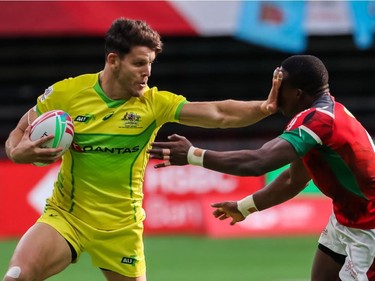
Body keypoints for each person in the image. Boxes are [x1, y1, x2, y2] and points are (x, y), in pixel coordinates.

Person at [3, 18, 281, 281]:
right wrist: (17, 152)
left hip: (122, 228)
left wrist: (263, 108)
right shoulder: (67, 93)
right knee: (17, 276)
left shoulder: (153, 104)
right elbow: (19, 130)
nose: (147, 72)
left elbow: (219, 113)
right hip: (67, 217)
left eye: (150, 64)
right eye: (138, 63)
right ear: (113, 60)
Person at [148, 55, 375, 281]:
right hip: (347, 215)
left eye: (279, 86)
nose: (274, 93)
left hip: (369, 226)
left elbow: (258, 161)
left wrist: (193, 155)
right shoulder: (326, 113)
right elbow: (293, 180)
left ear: (297, 93)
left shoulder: (319, 121)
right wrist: (244, 207)